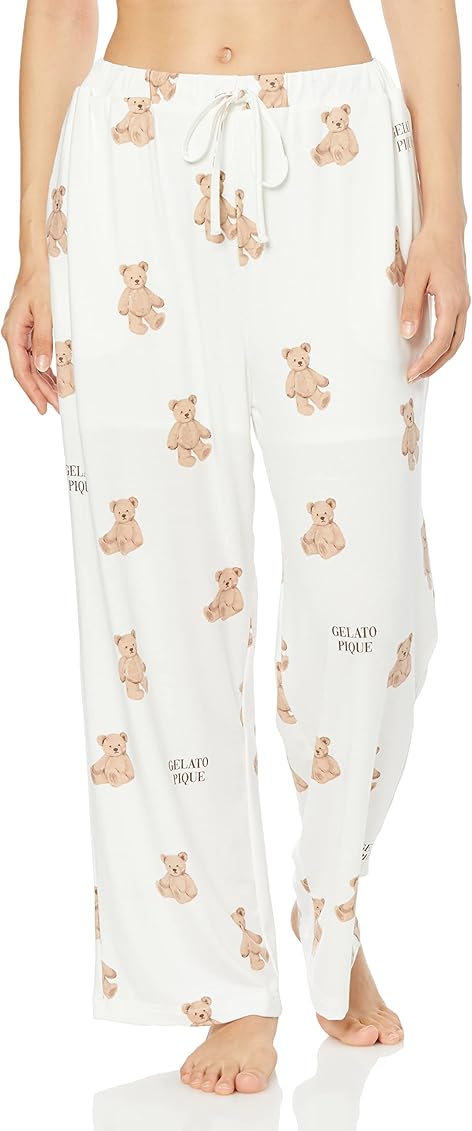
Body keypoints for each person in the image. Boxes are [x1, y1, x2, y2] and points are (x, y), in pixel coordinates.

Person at [2, 0, 469, 1100]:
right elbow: (60, 13)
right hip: (131, 162)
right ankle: (228, 975)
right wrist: (31, 248)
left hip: (335, 159)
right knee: (158, 595)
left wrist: (444, 210)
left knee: (370, 601)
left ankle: (329, 906)